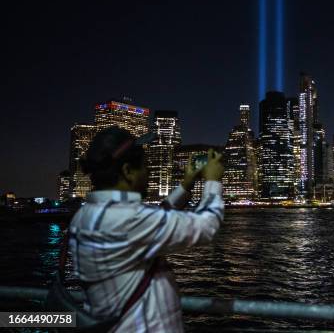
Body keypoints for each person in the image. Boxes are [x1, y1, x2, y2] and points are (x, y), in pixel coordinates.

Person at [69, 126, 225, 332]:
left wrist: (185, 185)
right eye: (144, 166)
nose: (149, 171)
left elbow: (153, 220)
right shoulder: (127, 219)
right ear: (127, 171)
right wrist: (212, 181)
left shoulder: (86, 216)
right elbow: (208, 228)